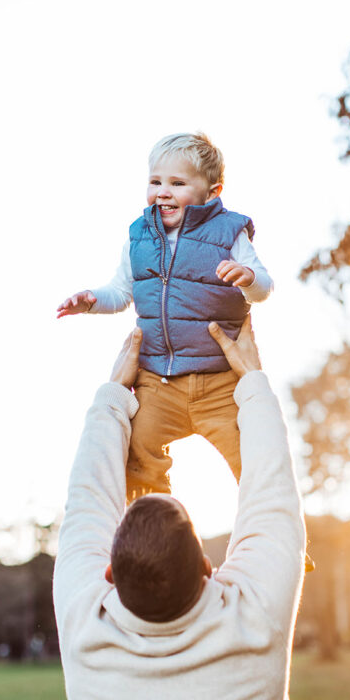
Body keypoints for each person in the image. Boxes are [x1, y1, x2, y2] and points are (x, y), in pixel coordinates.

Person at [53, 320, 306, 700]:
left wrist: (115, 395)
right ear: (210, 568)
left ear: (108, 575)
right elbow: (272, 490)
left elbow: (88, 493)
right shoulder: (255, 617)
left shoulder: (84, 623)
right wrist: (250, 378)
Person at [56, 132, 273, 500]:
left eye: (177, 183)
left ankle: (288, 551)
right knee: (137, 453)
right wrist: (92, 300)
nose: (163, 192)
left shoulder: (229, 233)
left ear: (213, 190)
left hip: (220, 383)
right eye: (156, 181)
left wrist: (248, 278)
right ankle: (155, 533)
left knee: (255, 461)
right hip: (159, 381)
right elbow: (122, 292)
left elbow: (264, 287)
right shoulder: (139, 237)